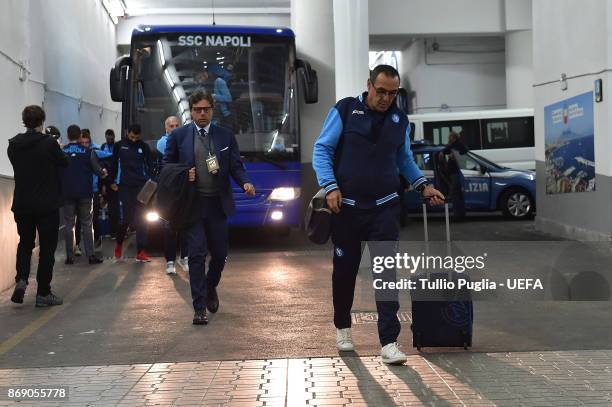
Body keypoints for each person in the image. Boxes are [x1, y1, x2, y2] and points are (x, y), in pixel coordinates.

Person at [312, 65, 445, 364]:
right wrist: (330, 186)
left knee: (386, 275)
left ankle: (389, 342)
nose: (386, 98)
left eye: (393, 93)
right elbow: (321, 150)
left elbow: (404, 159)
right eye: (381, 91)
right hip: (345, 209)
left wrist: (423, 184)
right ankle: (343, 327)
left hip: (384, 208)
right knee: (344, 273)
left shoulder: (400, 120)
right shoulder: (345, 110)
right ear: (369, 85)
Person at [163, 90, 255, 325]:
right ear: (191, 111)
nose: (201, 114)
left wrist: (244, 181)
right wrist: (184, 173)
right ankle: (199, 307)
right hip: (192, 205)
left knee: (220, 255)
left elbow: (235, 165)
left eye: (205, 109)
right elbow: (165, 168)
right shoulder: (179, 136)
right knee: (196, 255)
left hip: (217, 205)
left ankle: (210, 284)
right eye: (197, 110)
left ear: (212, 110)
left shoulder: (225, 136)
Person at [8, 105, 68, 306]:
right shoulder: (49, 144)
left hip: (22, 204)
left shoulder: (14, 144)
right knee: (47, 249)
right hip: (46, 206)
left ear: (25, 121)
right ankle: (43, 293)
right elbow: (64, 162)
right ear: (42, 121)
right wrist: (58, 148)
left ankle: (22, 280)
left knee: (25, 243)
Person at [62, 125, 106, 265]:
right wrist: (103, 172)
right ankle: (91, 256)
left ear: (68, 135)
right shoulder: (88, 152)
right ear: (79, 135)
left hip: (68, 193)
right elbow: (99, 171)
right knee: (87, 224)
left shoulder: (62, 152)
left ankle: (69, 256)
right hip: (85, 193)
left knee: (69, 224)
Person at [111, 124, 153, 262]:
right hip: (124, 187)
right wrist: (112, 181)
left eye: (137, 137)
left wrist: (153, 183)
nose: (134, 140)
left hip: (141, 187)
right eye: (131, 137)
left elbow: (150, 166)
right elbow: (113, 164)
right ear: (127, 133)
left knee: (143, 220)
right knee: (126, 219)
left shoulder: (144, 147)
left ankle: (141, 251)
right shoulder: (119, 146)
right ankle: (119, 243)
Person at [157, 116, 189, 274]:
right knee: (170, 227)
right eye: (171, 126)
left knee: (185, 226)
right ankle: (170, 261)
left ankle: (184, 257)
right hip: (169, 192)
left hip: (184, 190)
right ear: (166, 128)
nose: (174, 128)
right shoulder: (163, 143)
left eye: (177, 125)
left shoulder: (186, 142)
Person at [439, 131, 468, 220]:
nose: (448, 139)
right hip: (452, 173)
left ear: (453, 138)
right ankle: (459, 214)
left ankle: (458, 215)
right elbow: (446, 149)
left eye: (449, 137)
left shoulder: (459, 144)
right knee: (457, 194)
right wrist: (442, 153)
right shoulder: (452, 145)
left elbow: (465, 150)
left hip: (456, 172)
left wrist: (455, 155)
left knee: (454, 193)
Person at [100, 129, 119, 239]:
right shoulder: (103, 147)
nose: (109, 139)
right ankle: (111, 231)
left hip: (115, 181)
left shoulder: (117, 147)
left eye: (111, 137)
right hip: (106, 180)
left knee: (115, 208)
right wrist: (102, 185)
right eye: (108, 137)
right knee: (110, 208)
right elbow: (101, 165)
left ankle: (115, 231)